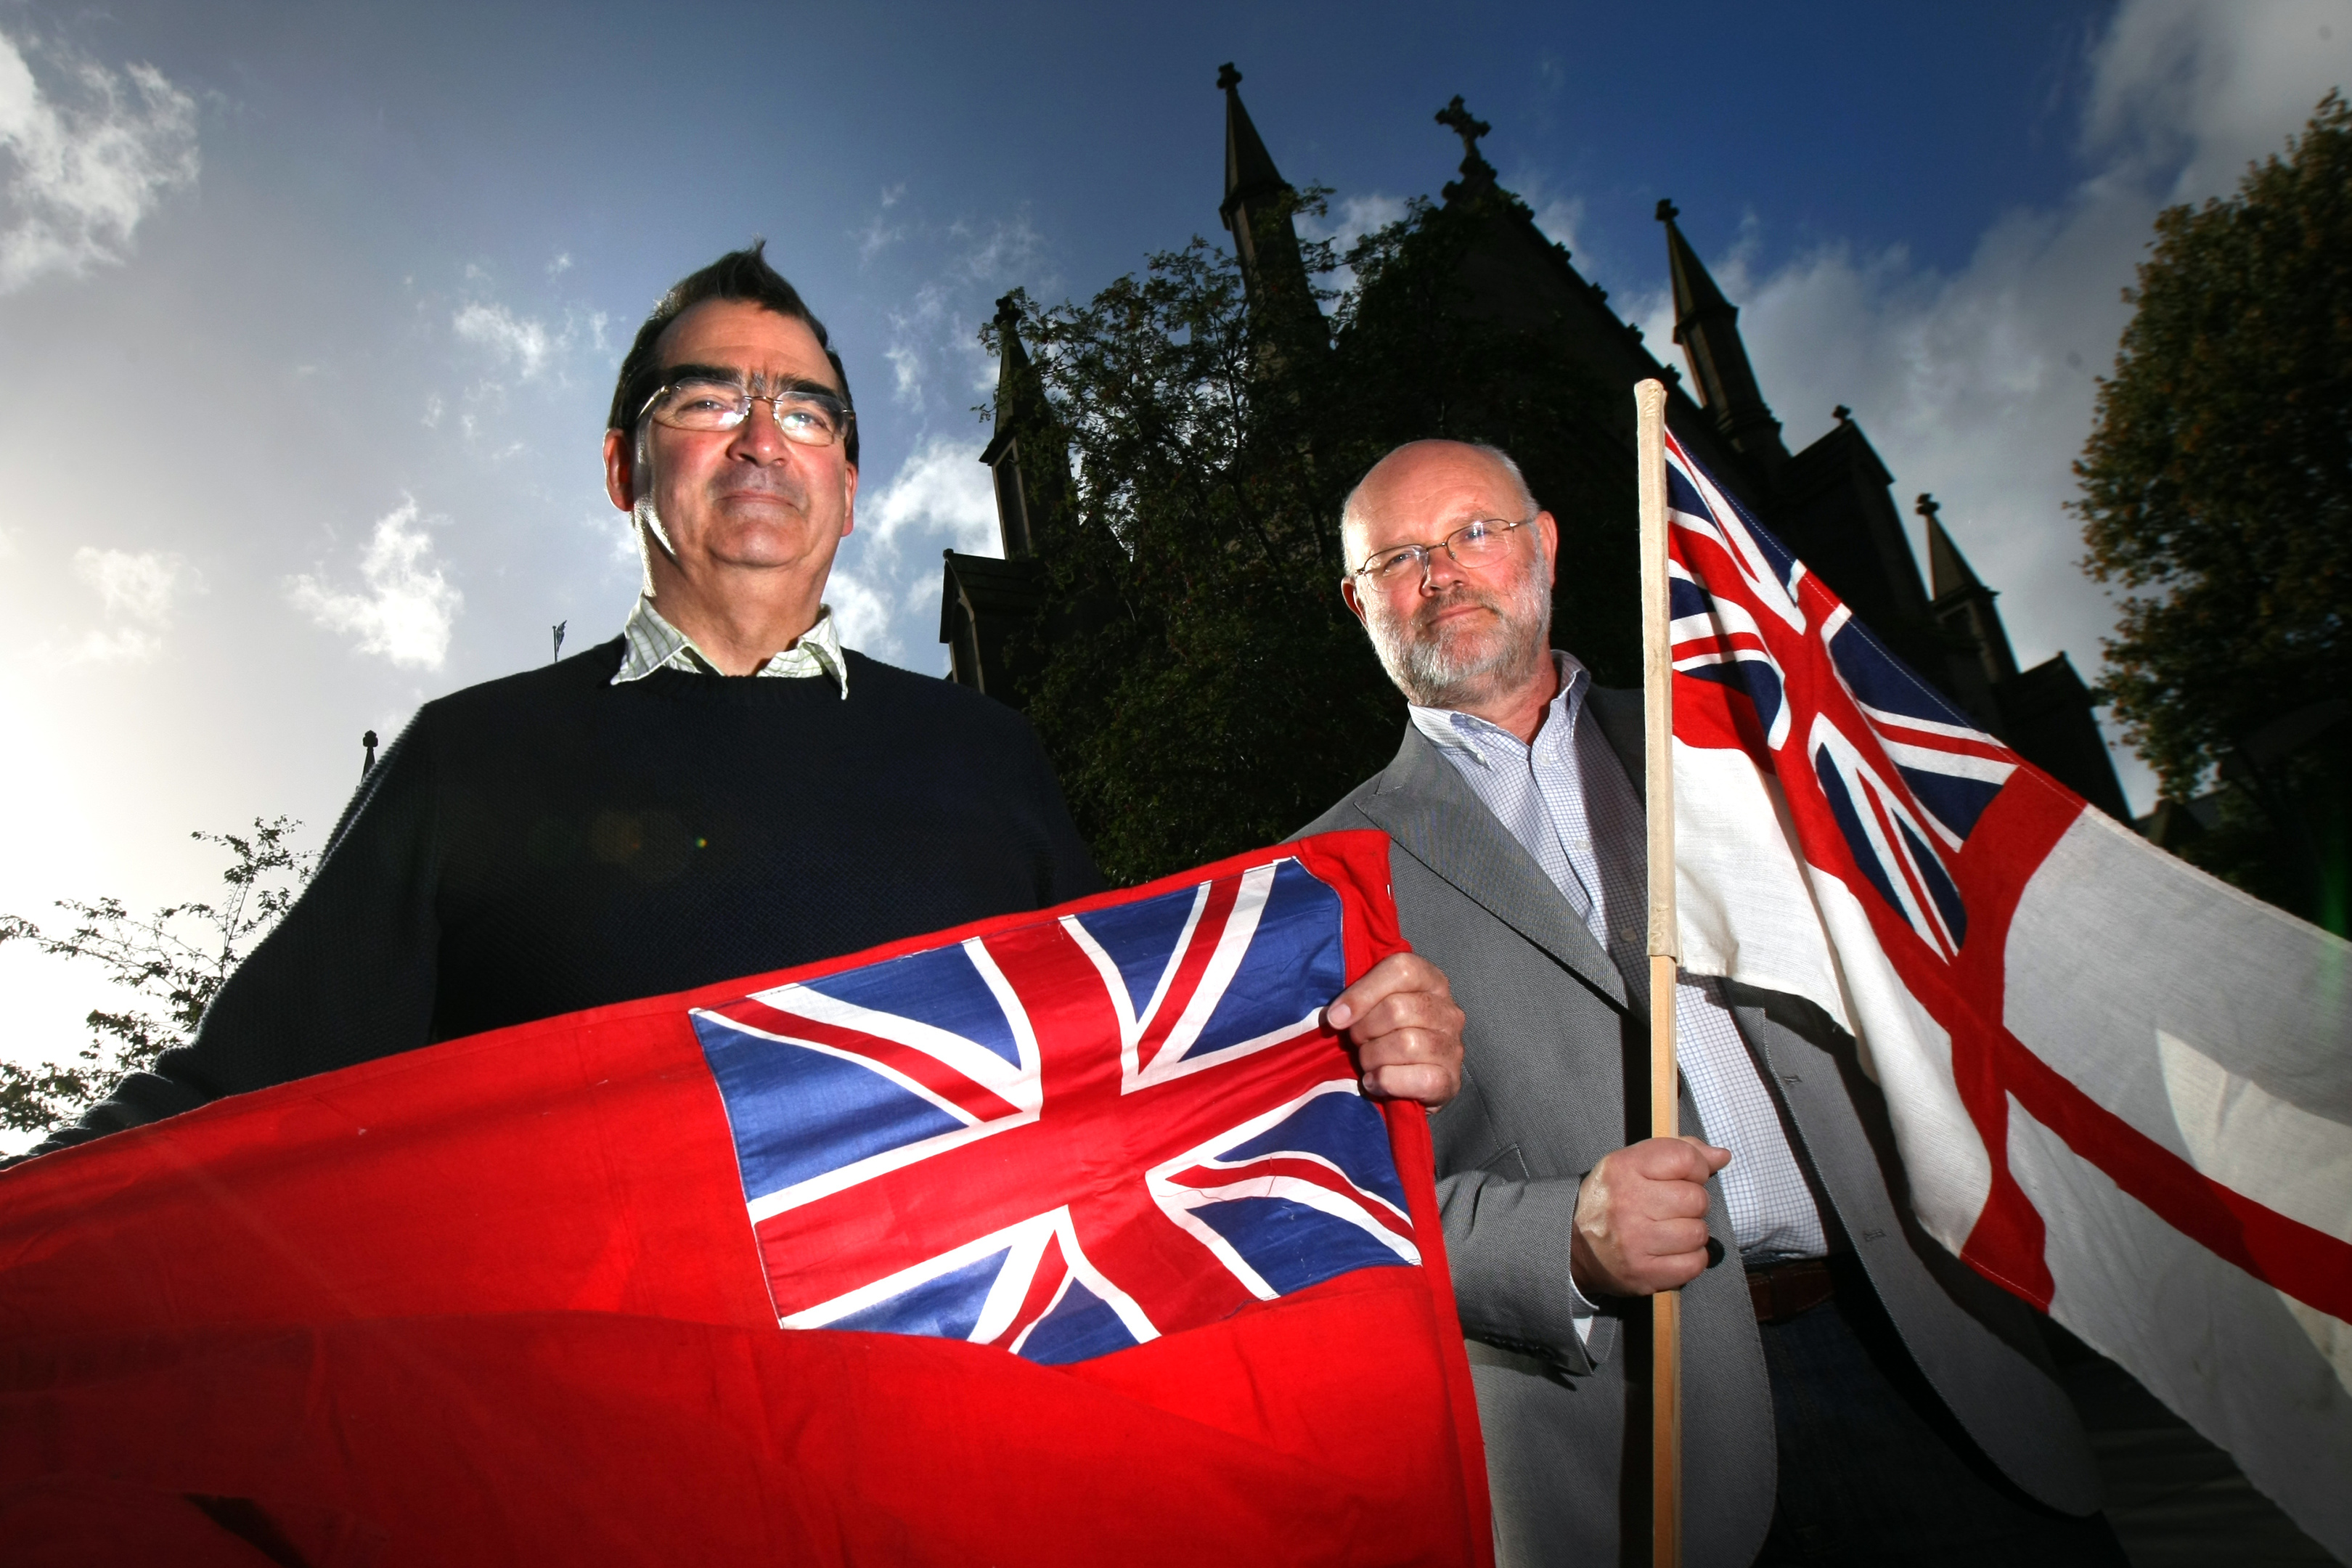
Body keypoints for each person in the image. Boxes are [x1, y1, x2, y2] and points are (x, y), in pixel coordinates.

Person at [28, 246, 1461, 1158]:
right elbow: (234, 1102)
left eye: (809, 411)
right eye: (706, 403)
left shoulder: (985, 752)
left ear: (848, 484)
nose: (764, 438)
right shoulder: (477, 758)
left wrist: (1336, 1039)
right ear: (623, 470)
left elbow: (1125, 1059)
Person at [1299, 438, 2123, 1567]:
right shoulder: (1315, 881)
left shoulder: (1746, 738)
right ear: (1359, 602)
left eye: (1474, 532)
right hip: (1632, 1448)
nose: (1442, 573)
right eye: (1398, 557)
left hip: (1932, 1354)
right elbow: (1331, 1210)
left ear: (1543, 545)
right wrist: (1561, 1245)